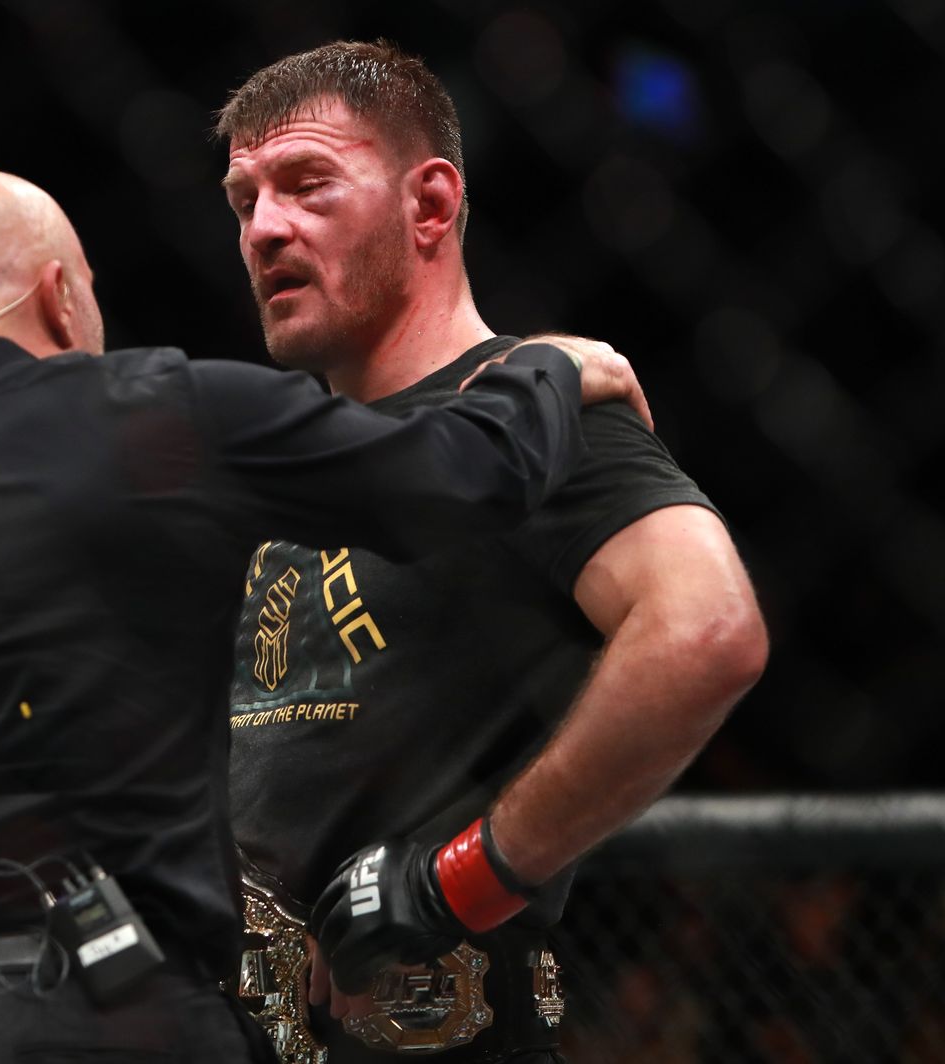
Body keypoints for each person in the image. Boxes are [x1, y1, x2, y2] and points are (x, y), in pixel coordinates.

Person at [0, 167, 649, 1064]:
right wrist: (545, 371)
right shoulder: (155, 411)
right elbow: (462, 477)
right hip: (115, 1012)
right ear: (59, 297)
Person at [215, 39, 769, 1064]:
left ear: (429, 205)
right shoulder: (292, 462)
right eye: (244, 200)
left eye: (307, 184)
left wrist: (462, 880)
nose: (264, 228)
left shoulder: (539, 421)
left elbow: (707, 626)